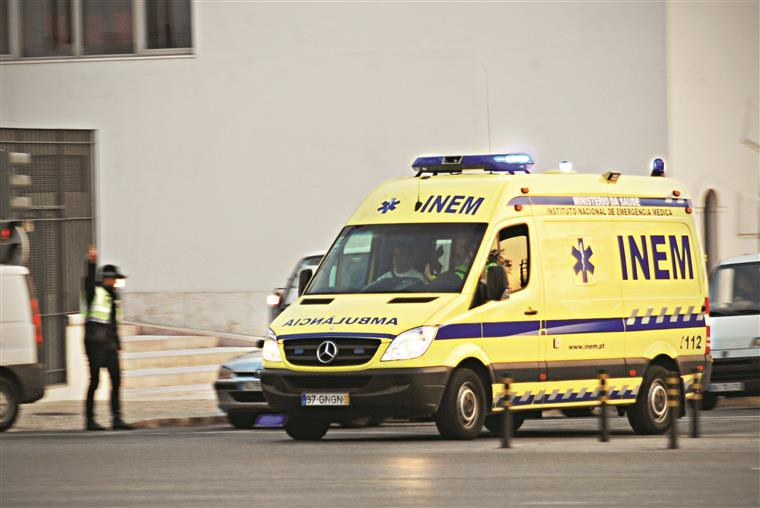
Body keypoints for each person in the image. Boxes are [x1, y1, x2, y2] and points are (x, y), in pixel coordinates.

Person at [82, 245, 133, 431]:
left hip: (110, 345)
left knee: (117, 380)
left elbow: (114, 322)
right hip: (95, 344)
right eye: (115, 279)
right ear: (107, 279)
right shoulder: (94, 293)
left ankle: (117, 418)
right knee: (95, 381)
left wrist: (118, 343)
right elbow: (87, 281)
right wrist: (91, 262)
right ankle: (89, 420)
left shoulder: (114, 297)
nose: (117, 283)